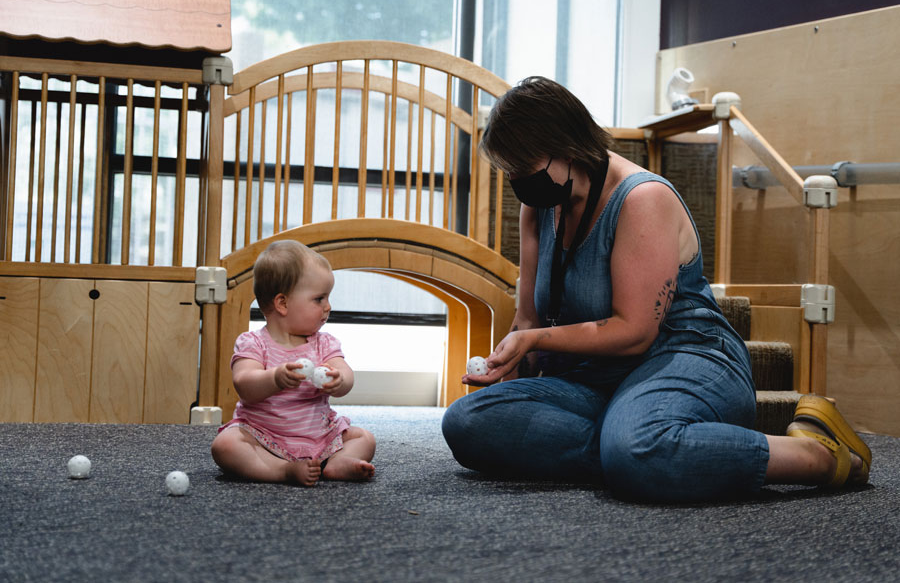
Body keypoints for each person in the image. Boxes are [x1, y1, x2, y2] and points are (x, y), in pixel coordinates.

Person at [441, 76, 871, 502]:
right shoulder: (539, 205)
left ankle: (814, 454)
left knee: (633, 447)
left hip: (688, 356)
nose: (517, 179)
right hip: (596, 377)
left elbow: (635, 331)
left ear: (566, 146)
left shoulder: (642, 198)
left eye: (524, 167)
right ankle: (646, 447)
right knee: (467, 421)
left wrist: (533, 341)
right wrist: (507, 370)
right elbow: (529, 319)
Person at [211, 240, 375, 486]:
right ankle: (281, 470)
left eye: (327, 297)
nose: (328, 306)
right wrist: (275, 378)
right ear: (283, 304)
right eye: (319, 299)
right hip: (263, 436)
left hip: (320, 436)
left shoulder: (323, 343)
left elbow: (345, 373)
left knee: (365, 438)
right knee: (225, 445)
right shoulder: (253, 343)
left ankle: (336, 463)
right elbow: (243, 383)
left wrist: (339, 379)